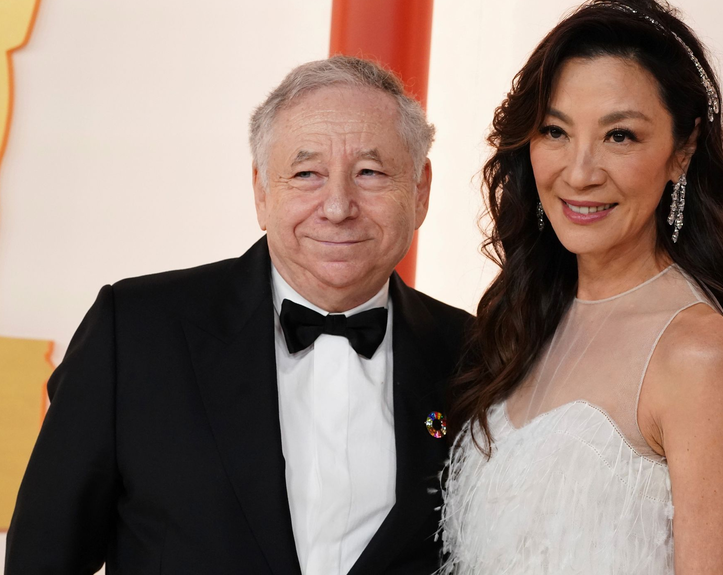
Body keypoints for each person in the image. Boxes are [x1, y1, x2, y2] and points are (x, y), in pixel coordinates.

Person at [6, 56, 472, 575]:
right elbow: (42, 559)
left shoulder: (474, 353)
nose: (338, 206)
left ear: (420, 190)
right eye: (306, 174)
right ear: (261, 191)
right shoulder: (136, 332)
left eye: (370, 172)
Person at [439, 0, 723, 575]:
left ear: (683, 151)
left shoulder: (692, 353)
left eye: (619, 136)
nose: (579, 173)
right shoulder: (521, 320)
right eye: (555, 131)